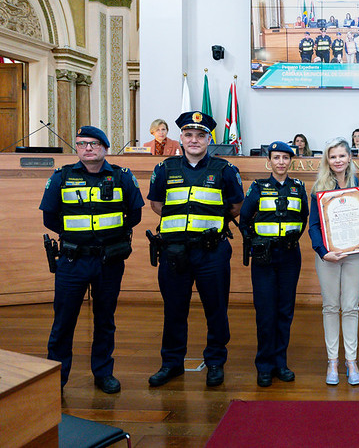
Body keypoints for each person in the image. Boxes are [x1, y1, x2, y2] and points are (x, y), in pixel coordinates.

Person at [40, 125, 144, 393]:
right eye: (82, 144)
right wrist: (79, 236)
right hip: (72, 260)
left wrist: (108, 237)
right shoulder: (62, 177)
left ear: (105, 148)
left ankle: (103, 373)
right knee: (64, 321)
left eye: (93, 144)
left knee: (105, 319)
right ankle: (56, 380)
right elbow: (50, 217)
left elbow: (135, 214)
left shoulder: (122, 177)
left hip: (109, 260)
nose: (87, 148)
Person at [147, 111, 244, 388]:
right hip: (174, 251)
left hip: (211, 251)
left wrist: (208, 223)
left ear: (208, 139)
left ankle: (215, 362)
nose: (194, 140)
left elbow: (236, 206)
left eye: (200, 135)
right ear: (181, 137)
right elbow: (156, 204)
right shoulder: (165, 168)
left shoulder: (225, 170)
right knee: (174, 309)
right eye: (188, 134)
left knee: (216, 308)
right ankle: (171, 363)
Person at [239, 141, 309, 387]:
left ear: (291, 161)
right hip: (264, 259)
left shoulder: (298, 188)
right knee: (266, 312)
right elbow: (244, 220)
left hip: (289, 257)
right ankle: (264, 365)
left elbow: (303, 219)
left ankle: (281, 363)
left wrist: (288, 240)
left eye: (285, 158)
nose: (281, 162)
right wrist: (256, 243)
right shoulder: (258, 187)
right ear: (269, 161)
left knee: (284, 311)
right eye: (276, 158)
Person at [308, 138, 359, 385]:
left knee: (351, 307)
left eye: (342, 155)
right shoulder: (318, 187)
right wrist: (323, 252)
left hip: (354, 254)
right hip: (328, 256)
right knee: (331, 307)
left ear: (349, 157)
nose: (338, 160)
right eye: (333, 157)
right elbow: (313, 226)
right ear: (327, 160)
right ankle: (332, 361)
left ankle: (351, 361)